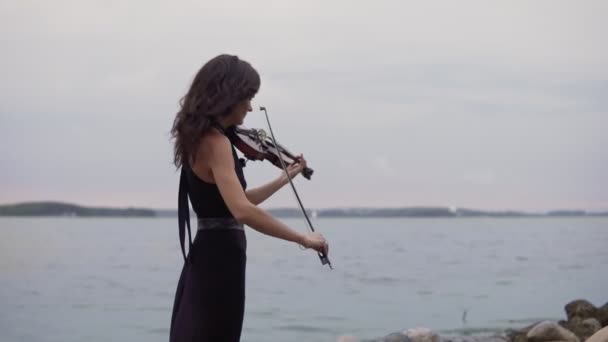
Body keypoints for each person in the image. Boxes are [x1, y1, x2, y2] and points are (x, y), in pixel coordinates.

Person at [168, 54, 330, 342]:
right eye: (248, 98)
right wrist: (303, 239)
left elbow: (235, 201)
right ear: (229, 96)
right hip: (219, 257)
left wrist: (285, 177)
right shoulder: (216, 142)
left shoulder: (200, 137)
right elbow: (241, 211)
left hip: (210, 253)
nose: (251, 107)